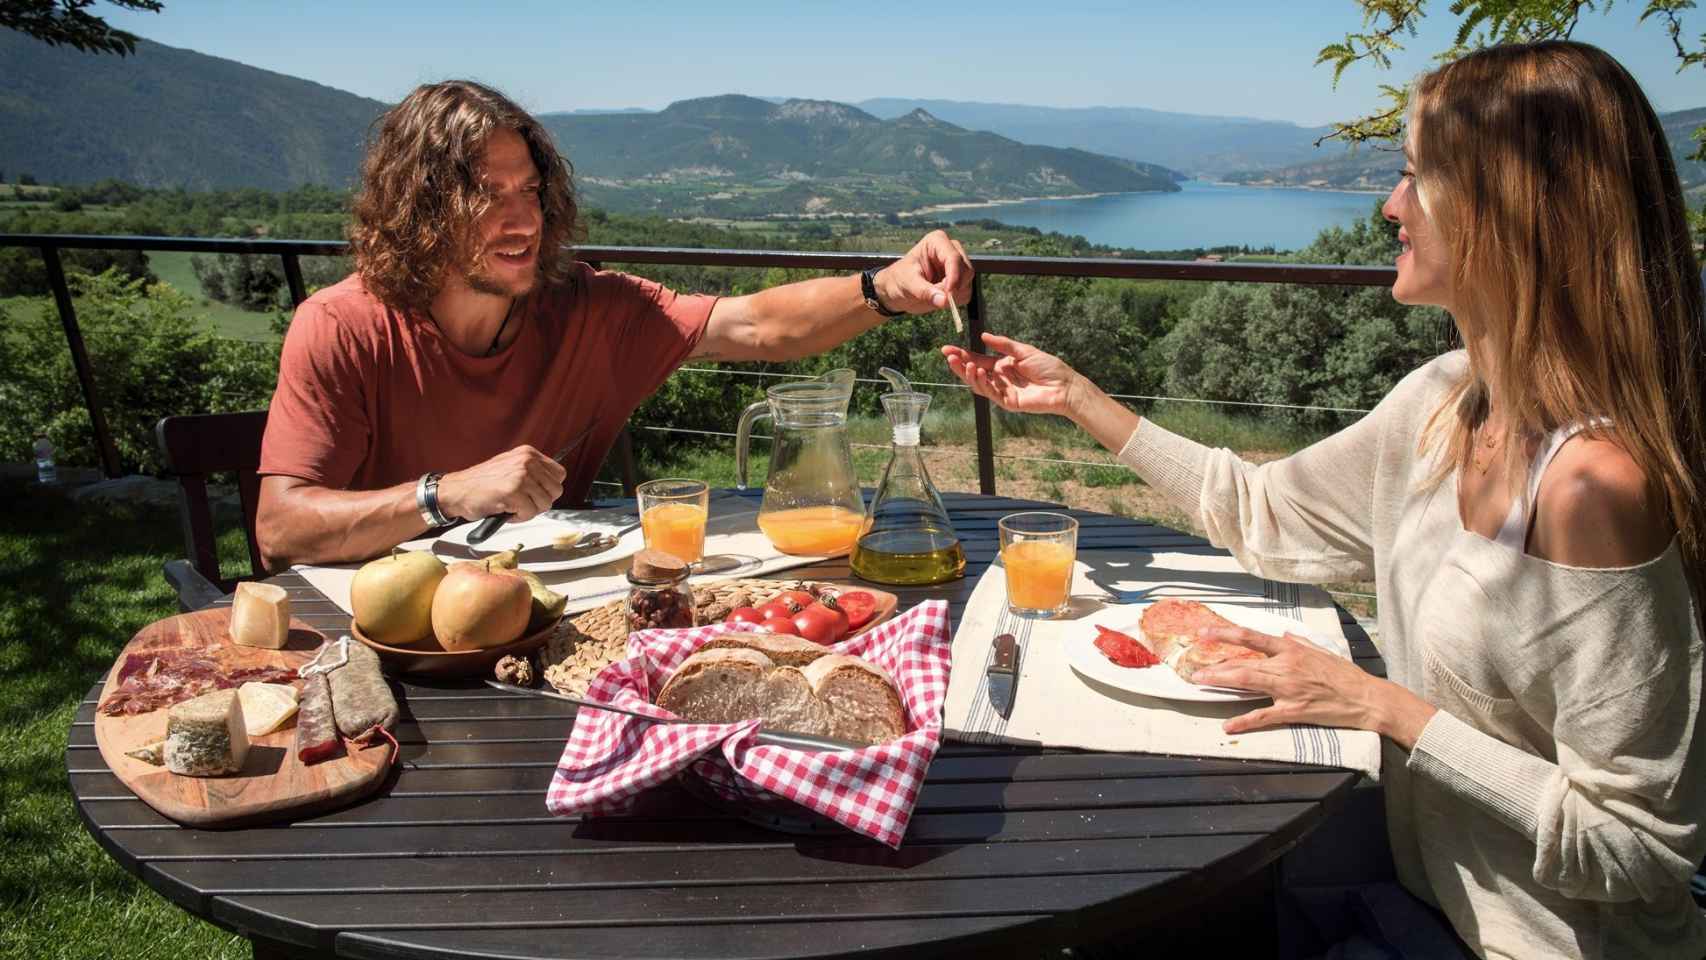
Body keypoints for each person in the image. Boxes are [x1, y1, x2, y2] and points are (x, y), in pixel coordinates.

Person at [943, 41, 1706, 959]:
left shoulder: (1595, 486)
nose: (1390, 205)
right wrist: (1078, 399)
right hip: (1413, 890)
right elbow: (1264, 515)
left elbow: (1640, 848)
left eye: (1416, 177)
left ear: (1508, 210)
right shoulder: (1446, 400)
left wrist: (1384, 706)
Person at [255, 80, 972, 569]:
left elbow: (752, 325)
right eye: (487, 195)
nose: (523, 219)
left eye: (531, 191)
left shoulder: (589, 307)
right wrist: (444, 494)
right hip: (394, 643)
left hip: (552, 618)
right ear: (419, 209)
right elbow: (280, 531)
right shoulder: (343, 327)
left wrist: (884, 287)